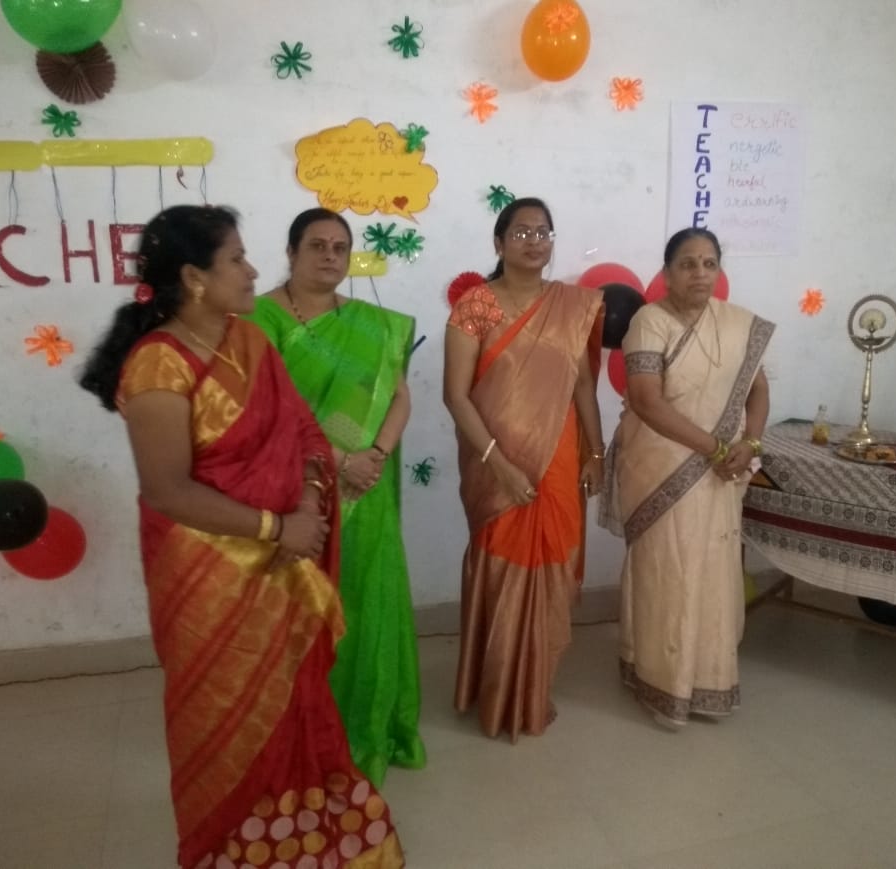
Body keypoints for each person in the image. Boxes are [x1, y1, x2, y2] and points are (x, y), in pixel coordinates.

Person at [79, 205, 404, 869]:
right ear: (194, 278)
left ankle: (302, 840)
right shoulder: (157, 367)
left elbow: (304, 432)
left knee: (294, 707)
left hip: (282, 565)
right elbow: (168, 491)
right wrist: (277, 527)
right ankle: (231, 847)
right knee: (225, 717)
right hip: (208, 579)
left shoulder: (249, 343)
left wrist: (308, 505)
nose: (252, 271)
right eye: (236, 258)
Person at [249, 207, 426, 786]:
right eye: (317, 245)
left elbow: (399, 396)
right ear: (292, 252)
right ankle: (300, 733)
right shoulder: (260, 320)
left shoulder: (372, 325)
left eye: (340, 247)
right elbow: (268, 415)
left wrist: (374, 454)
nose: (330, 256)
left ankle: (365, 726)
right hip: (297, 489)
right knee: (302, 609)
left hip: (366, 490)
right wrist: (341, 461)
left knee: (365, 602)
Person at [443, 197, 605, 740]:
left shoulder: (572, 305)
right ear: (499, 242)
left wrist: (596, 452)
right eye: (521, 232)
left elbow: (583, 386)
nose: (534, 241)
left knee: (553, 566)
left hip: (557, 460)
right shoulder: (476, 306)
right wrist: (501, 466)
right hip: (495, 466)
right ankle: (497, 689)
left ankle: (535, 686)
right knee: (503, 565)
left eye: (543, 232)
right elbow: (455, 396)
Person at [600, 227, 774, 730]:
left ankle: (708, 679)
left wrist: (751, 444)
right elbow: (646, 401)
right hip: (661, 467)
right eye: (687, 263)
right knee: (667, 572)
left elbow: (758, 392)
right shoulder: (648, 322)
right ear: (667, 272)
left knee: (713, 572)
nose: (700, 273)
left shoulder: (737, 324)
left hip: (720, 473)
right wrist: (715, 448)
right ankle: (658, 681)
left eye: (709, 263)